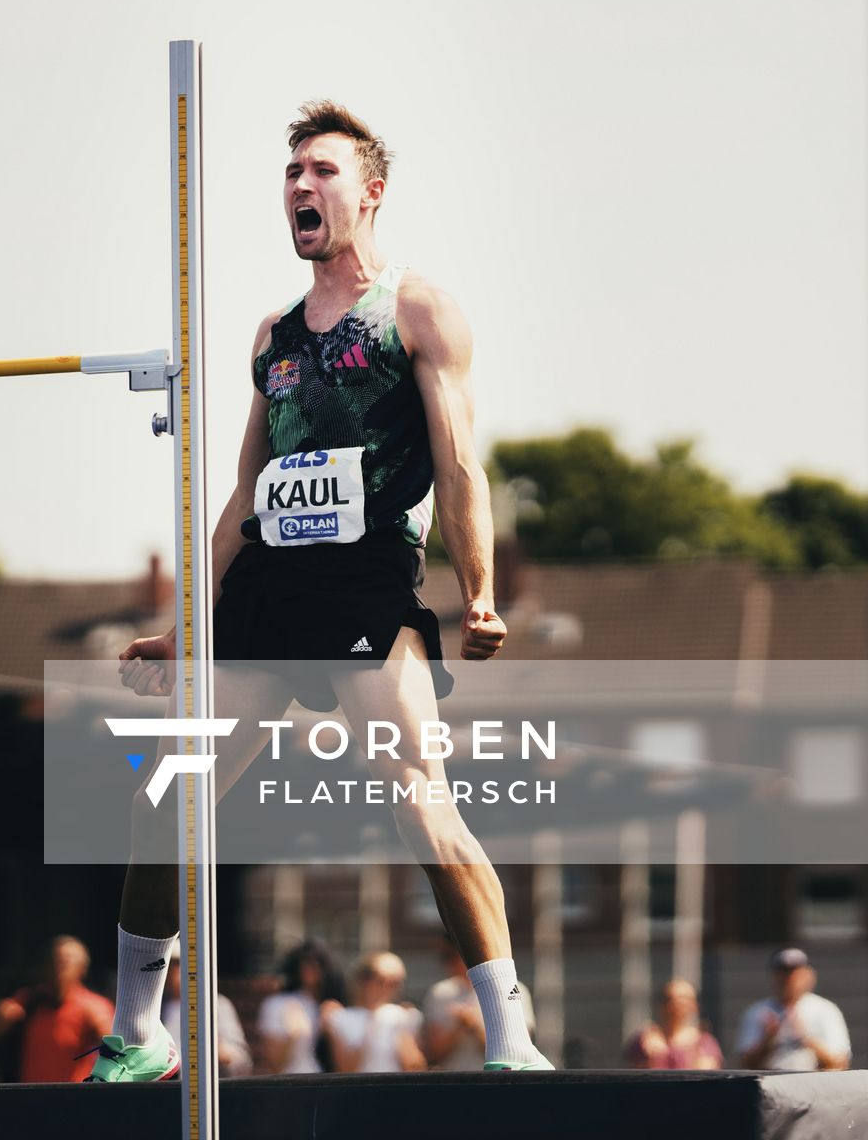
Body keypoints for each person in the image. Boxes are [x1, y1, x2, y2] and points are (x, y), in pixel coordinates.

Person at [101, 102, 549, 1080]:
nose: (303, 188)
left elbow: (459, 459)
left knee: (419, 800)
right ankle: (138, 1026)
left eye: (323, 172)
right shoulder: (273, 335)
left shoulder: (415, 309)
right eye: (293, 173)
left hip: (364, 579)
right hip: (270, 582)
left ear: (370, 191)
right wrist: (187, 623)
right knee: (163, 798)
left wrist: (476, 589)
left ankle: (510, 1033)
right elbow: (240, 495)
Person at [0, 936, 114, 1082]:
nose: (58, 966)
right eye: (54, 960)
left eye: (66, 961)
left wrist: (103, 1031)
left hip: (74, 1095)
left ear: (82, 968)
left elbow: (115, 1046)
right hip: (31, 1094)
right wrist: (0, 1018)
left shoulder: (94, 1006)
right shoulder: (30, 999)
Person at [423, 941, 535, 1070]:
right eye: (446, 956)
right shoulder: (439, 993)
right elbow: (433, 1054)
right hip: (454, 1080)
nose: (448, 962)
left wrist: (474, 1026)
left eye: (453, 955)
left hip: (499, 1079)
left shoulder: (513, 988)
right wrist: (458, 1028)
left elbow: (518, 1052)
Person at [736, 948, 850, 1071]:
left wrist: (805, 1038)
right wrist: (768, 1040)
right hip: (771, 1082)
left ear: (809, 976)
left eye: (794, 975)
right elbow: (745, 1064)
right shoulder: (757, 1011)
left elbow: (839, 1062)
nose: (788, 981)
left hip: (813, 1081)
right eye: (782, 975)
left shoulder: (825, 1010)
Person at [323, 952, 426, 1073]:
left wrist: (401, 1030)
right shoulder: (339, 1017)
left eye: (395, 983)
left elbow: (415, 1067)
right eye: (381, 981)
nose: (387, 988)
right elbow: (346, 1069)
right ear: (363, 980)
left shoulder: (403, 1015)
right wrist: (373, 1023)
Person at [254, 941, 342, 1075]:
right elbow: (274, 1065)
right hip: (291, 1083)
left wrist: (333, 1032)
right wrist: (295, 1033)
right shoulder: (277, 1004)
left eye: (318, 963)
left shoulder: (332, 1006)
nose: (312, 969)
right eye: (307, 962)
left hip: (326, 1084)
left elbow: (344, 1066)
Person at [159, 961, 253, 1078]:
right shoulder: (156, 1006)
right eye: (170, 965)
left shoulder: (217, 1004)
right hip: (164, 1087)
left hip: (203, 1086)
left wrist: (220, 1050)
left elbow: (240, 1059)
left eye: (179, 963)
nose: (175, 971)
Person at [624, 979, 722, 1069]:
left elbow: (709, 1073)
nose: (677, 1004)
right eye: (670, 999)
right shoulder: (644, 1040)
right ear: (661, 1006)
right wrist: (648, 1058)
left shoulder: (704, 1043)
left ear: (694, 1006)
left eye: (684, 999)